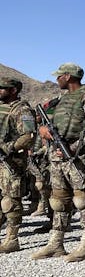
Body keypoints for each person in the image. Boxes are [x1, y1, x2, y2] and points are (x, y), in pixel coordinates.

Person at [32, 63, 85, 262]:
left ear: (69, 76)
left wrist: (77, 146)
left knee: (83, 199)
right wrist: (43, 131)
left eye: (60, 76)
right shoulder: (61, 100)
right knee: (58, 199)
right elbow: (51, 123)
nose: (57, 79)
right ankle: (56, 243)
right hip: (56, 155)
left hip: (78, 156)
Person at [0, 77, 35, 253]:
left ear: (13, 90)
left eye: (2, 88)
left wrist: (9, 147)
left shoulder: (22, 110)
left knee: (10, 200)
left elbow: (28, 136)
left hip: (10, 161)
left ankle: (12, 239)